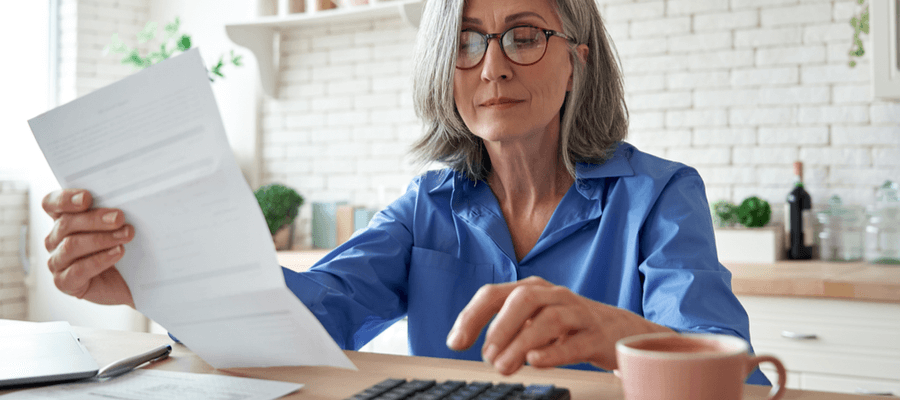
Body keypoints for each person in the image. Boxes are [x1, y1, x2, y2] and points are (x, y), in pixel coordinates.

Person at [41, 0, 770, 385]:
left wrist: (617, 337)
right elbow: (312, 315)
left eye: (523, 36)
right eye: (465, 41)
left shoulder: (659, 196)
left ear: (576, 62)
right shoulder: (427, 207)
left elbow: (741, 377)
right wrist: (151, 279)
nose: (492, 67)